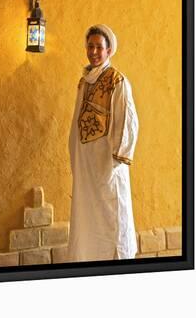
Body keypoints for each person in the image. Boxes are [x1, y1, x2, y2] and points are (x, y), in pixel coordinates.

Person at [67, 24, 139, 262]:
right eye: (90, 46)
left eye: (99, 47)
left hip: (108, 167)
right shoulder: (84, 82)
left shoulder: (117, 81)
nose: (94, 51)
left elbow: (127, 120)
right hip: (87, 168)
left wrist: (116, 161)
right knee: (87, 219)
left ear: (109, 51)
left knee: (112, 220)